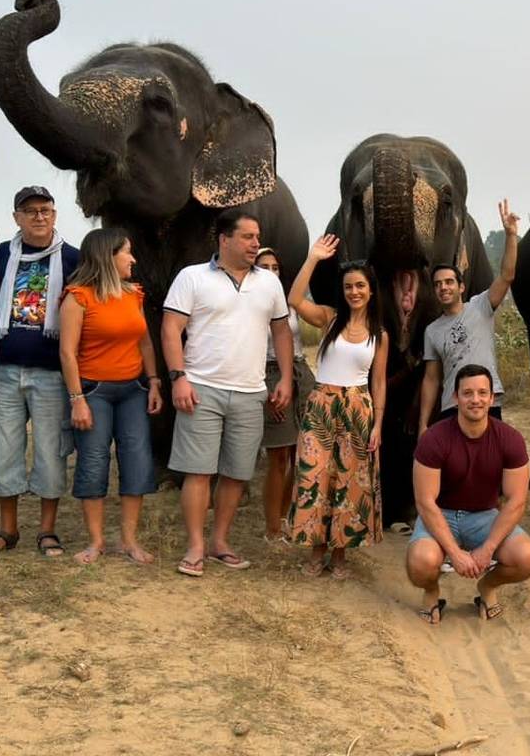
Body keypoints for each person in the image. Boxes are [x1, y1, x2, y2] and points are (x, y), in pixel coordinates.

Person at [162, 210, 293, 577]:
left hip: (252, 392)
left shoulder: (269, 283)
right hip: (201, 388)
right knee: (199, 471)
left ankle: (220, 541)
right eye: (248, 237)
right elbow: (171, 329)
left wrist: (285, 378)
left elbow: (281, 331)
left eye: (257, 236)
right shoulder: (192, 277)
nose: (256, 244)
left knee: (237, 474)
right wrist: (178, 378)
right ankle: (195, 547)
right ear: (224, 239)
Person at [0, 186, 80, 559]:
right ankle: (8, 529)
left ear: (55, 215)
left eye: (46, 210)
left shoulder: (72, 257)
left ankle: (47, 531)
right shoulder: (3, 253)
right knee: (4, 449)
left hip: (51, 372)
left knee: (51, 450)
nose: (39, 217)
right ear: (16, 217)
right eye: (30, 210)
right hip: (5, 370)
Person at [58, 228, 163, 565]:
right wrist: (77, 398)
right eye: (127, 252)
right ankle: (96, 542)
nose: (133, 259)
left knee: (136, 459)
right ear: (107, 256)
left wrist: (154, 381)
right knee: (93, 461)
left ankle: (129, 541)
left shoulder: (134, 294)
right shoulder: (78, 297)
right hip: (94, 391)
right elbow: (67, 354)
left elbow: (145, 342)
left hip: (133, 389)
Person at [287, 234, 388, 579]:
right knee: (315, 474)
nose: (354, 292)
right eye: (348, 287)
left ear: (371, 290)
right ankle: (316, 551)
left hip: (359, 407)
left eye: (360, 286)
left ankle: (340, 555)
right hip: (322, 404)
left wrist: (377, 425)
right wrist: (313, 257)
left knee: (350, 482)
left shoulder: (380, 333)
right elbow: (295, 298)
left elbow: (379, 382)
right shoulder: (329, 318)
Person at [407, 365, 530, 624]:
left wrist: (487, 550)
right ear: (455, 397)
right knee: (421, 562)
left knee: (527, 558)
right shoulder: (434, 439)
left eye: (482, 393)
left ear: (492, 398)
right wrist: (455, 554)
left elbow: (516, 501)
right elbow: (425, 501)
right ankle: (432, 591)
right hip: (441, 513)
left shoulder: (510, 439)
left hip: (484, 515)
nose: (475, 400)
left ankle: (487, 587)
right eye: (467, 393)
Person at [417, 199, 520, 434]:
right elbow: (431, 379)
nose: (444, 288)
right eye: (438, 284)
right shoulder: (432, 330)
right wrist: (424, 422)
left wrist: (511, 235)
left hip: (487, 400)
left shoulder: (480, 306)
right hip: (452, 405)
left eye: (449, 282)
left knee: (489, 463)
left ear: (461, 287)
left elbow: (506, 275)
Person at [254, 246, 315, 543]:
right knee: (278, 454)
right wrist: (265, 389)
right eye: (264, 266)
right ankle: (272, 528)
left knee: (300, 453)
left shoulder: (288, 303)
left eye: (275, 267)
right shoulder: (248, 304)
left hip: (301, 373)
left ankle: (288, 517)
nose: (271, 272)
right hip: (270, 373)